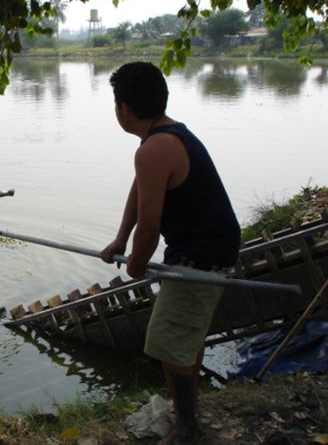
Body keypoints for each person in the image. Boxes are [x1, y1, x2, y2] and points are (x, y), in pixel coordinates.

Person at [100, 62, 240, 445]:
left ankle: (188, 430)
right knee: (183, 337)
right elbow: (140, 191)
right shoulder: (163, 137)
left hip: (202, 254)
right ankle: (186, 414)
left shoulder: (156, 148)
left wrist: (136, 265)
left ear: (124, 108)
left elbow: (150, 227)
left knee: (169, 337)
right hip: (207, 246)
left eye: (116, 103)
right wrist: (119, 240)